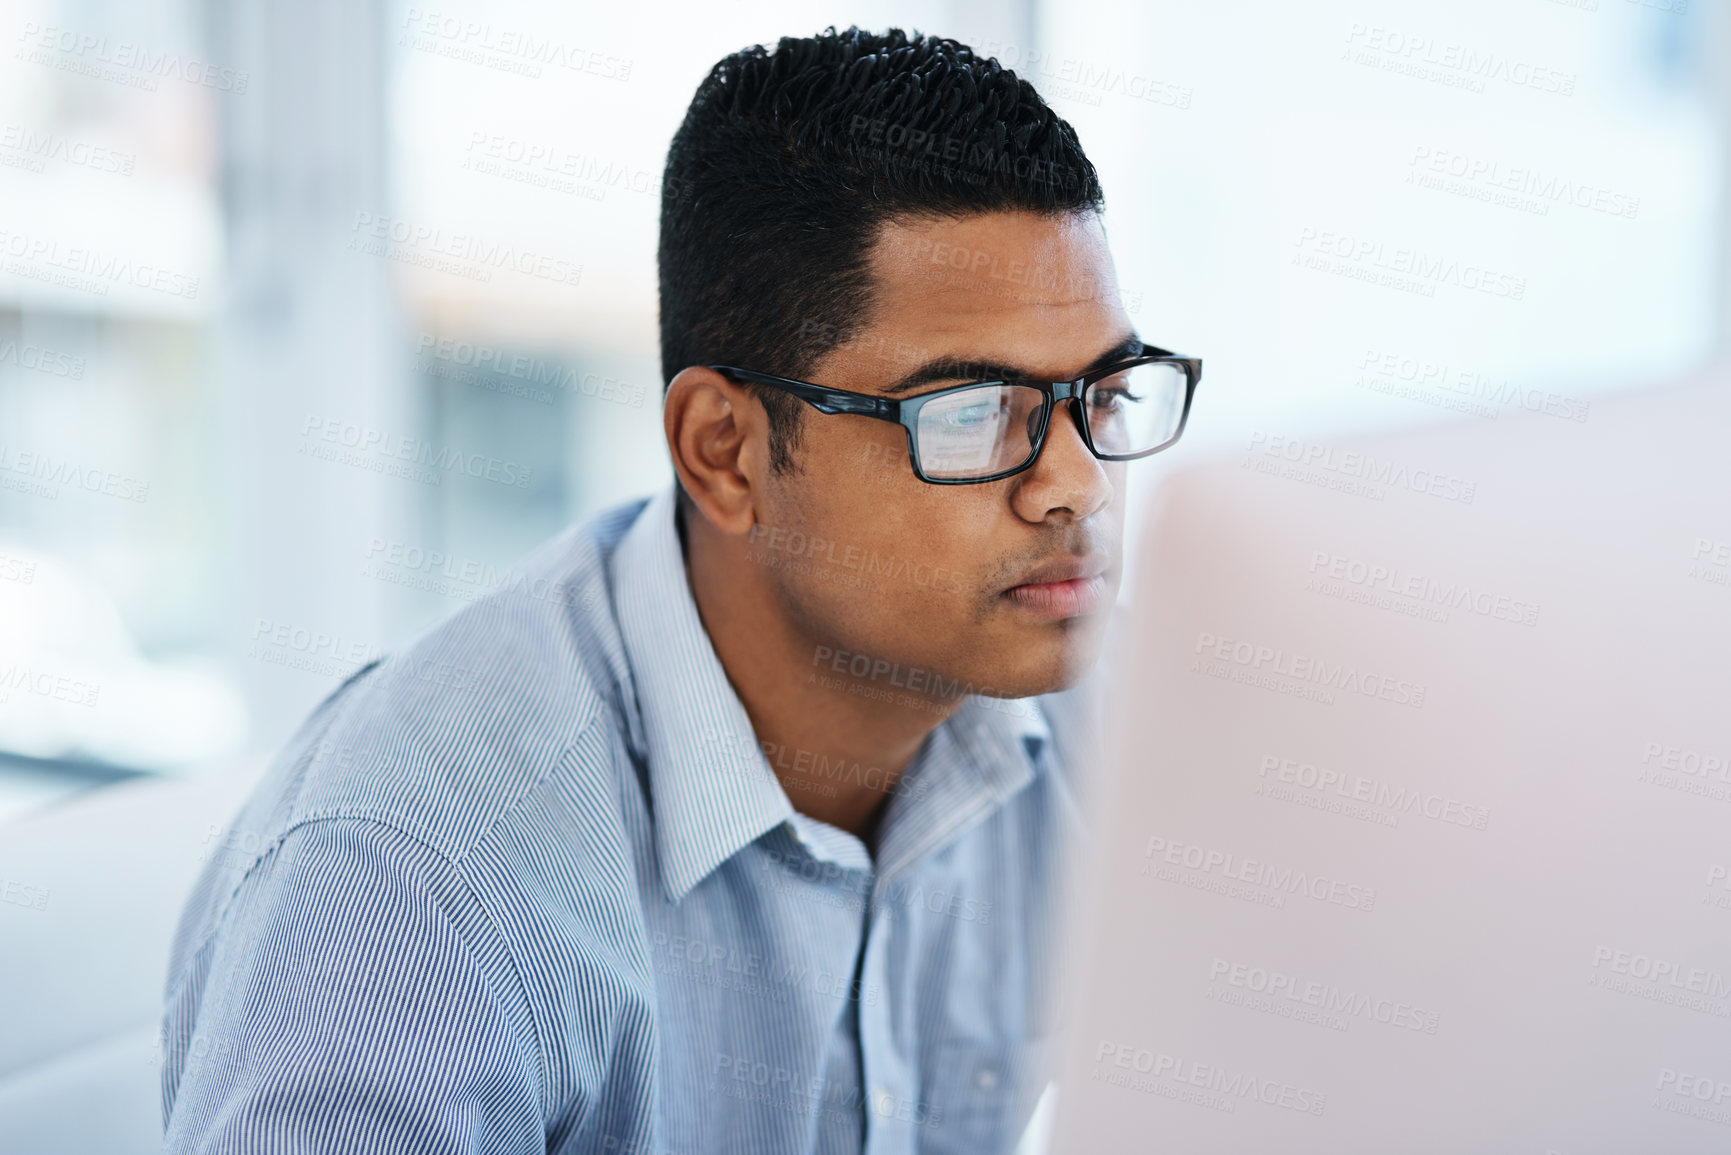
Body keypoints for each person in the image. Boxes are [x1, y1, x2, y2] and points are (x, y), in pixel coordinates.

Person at [160, 26, 1200, 1154]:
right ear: (725, 452)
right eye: (971, 413)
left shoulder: (1111, 711)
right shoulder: (418, 881)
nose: (1077, 486)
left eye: (1105, 390)